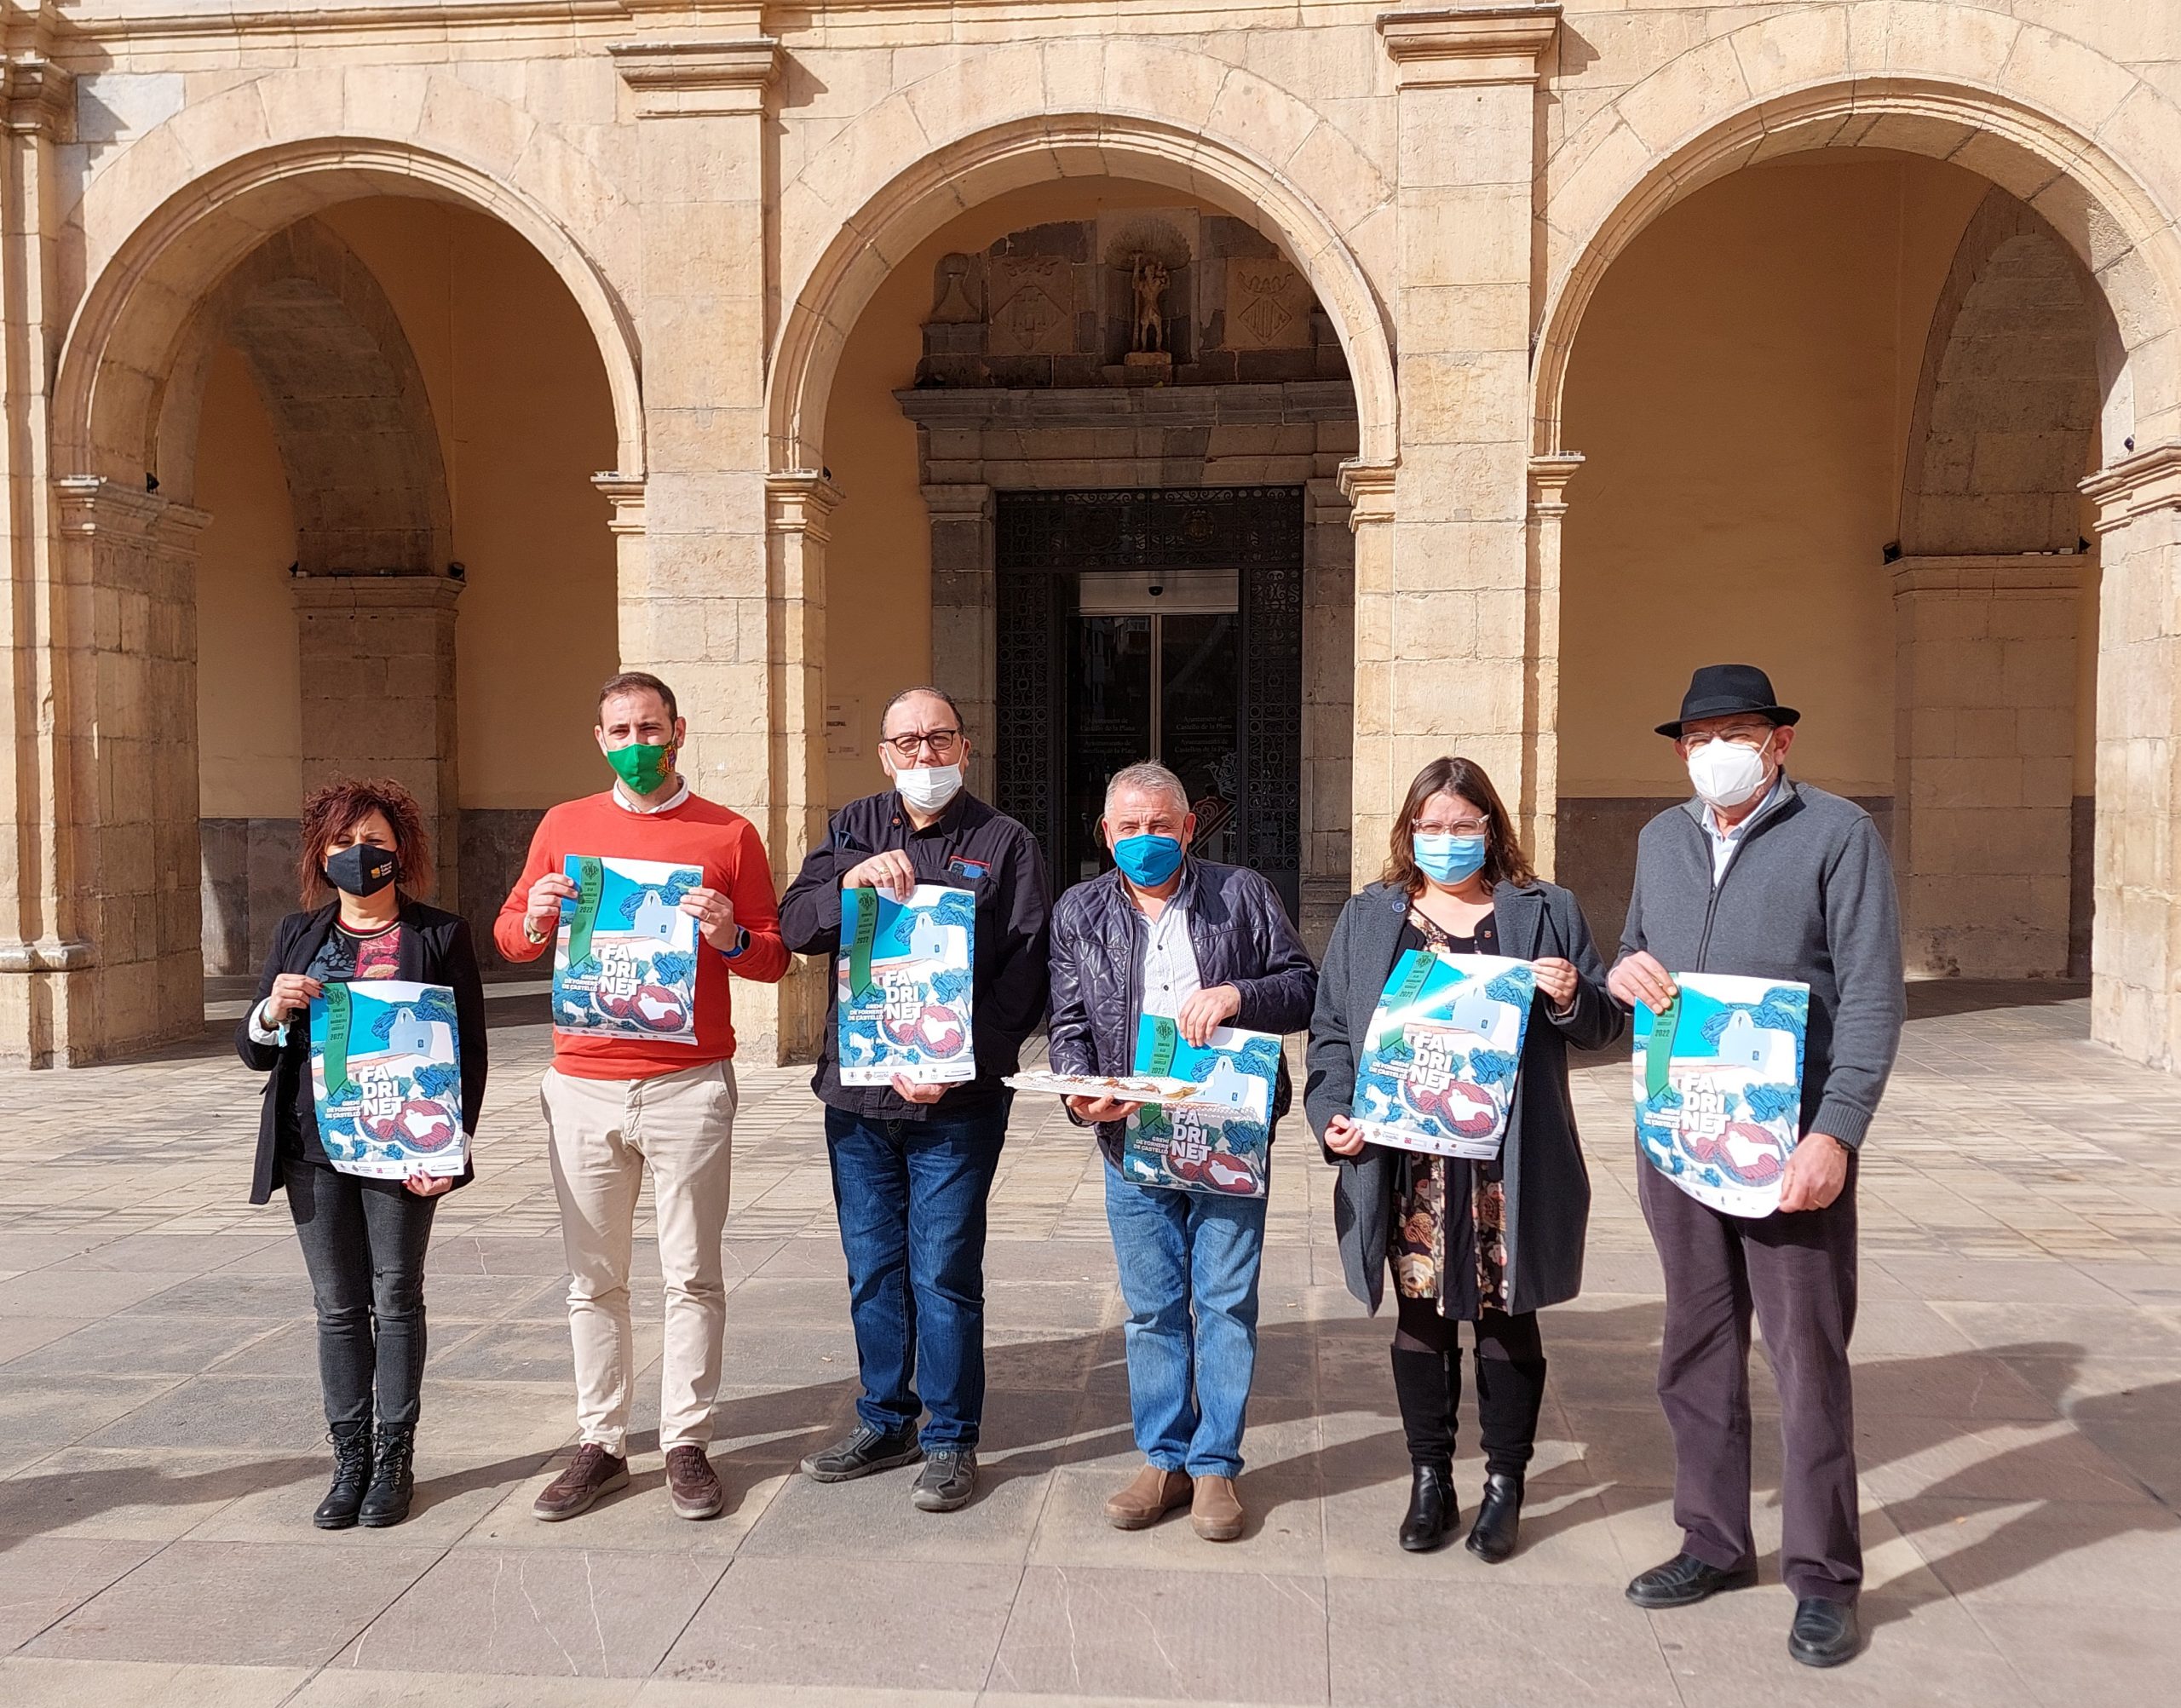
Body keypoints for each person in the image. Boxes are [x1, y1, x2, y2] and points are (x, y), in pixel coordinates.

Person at [1608, 664, 1903, 1670]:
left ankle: (1822, 1578)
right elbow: (1635, 953)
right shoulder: (1659, 838)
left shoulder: (1836, 833)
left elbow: (1871, 995)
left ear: (1779, 740)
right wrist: (1621, 970)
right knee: (1693, 1347)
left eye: (1734, 731)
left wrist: (1838, 1131)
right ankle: (1713, 1541)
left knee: (1806, 1358)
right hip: (1681, 1135)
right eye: (1695, 737)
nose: (1713, 751)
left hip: (1790, 1145)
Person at [1307, 756, 1621, 1561]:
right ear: (1410, 831)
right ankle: (1430, 1478)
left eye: (1463, 825)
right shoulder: (1372, 915)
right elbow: (1334, 1031)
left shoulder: (1545, 909)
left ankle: (1506, 1483)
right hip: (1409, 1157)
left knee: (1509, 1317)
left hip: (1508, 1160)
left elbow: (1602, 1025)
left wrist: (1567, 995)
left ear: (1492, 827)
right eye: (1431, 826)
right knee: (1420, 1316)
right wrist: (1334, 1113)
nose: (1447, 840)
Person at [495, 671, 790, 1523]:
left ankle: (686, 1440)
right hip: (583, 1082)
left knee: (692, 1273)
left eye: (649, 726)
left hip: (686, 1084)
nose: (636, 742)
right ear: (599, 739)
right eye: (620, 729)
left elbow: (771, 954)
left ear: (679, 730)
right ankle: (601, 1440)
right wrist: (541, 912)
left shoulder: (728, 833)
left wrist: (729, 933)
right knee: (594, 1278)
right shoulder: (564, 826)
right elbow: (511, 938)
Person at [780, 686, 1050, 1513]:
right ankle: (884, 1418)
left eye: (939, 739)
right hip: (857, 1098)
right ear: (885, 754)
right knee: (873, 1268)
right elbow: (795, 926)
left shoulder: (1005, 843)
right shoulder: (851, 827)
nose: (923, 755)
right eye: (907, 742)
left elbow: (1027, 971)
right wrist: (848, 883)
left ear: (964, 749)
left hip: (953, 1103)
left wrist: (960, 1060)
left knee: (942, 1269)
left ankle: (949, 1437)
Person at [1046, 762, 1317, 1541]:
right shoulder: (1080, 911)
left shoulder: (1243, 894)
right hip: (1130, 1137)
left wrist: (1241, 995)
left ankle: (1214, 1467)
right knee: (1155, 1306)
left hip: (1227, 1132)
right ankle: (1162, 1456)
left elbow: (1302, 985)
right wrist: (1076, 1091)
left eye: (1160, 825)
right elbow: (1067, 1021)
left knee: (1225, 1301)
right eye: (1129, 827)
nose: (1145, 839)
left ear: (1189, 827)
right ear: (1106, 833)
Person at [239, 776, 487, 1531]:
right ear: (321, 852)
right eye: (345, 843)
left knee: (396, 1295)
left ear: (400, 852)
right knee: (338, 1308)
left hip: (401, 1146)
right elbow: (253, 1052)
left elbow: (467, 1055)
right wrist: (273, 1008)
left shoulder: (440, 935)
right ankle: (347, 1459)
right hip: (312, 1148)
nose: (360, 855)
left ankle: (393, 1459)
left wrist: (449, 1146)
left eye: (375, 841)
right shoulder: (298, 934)